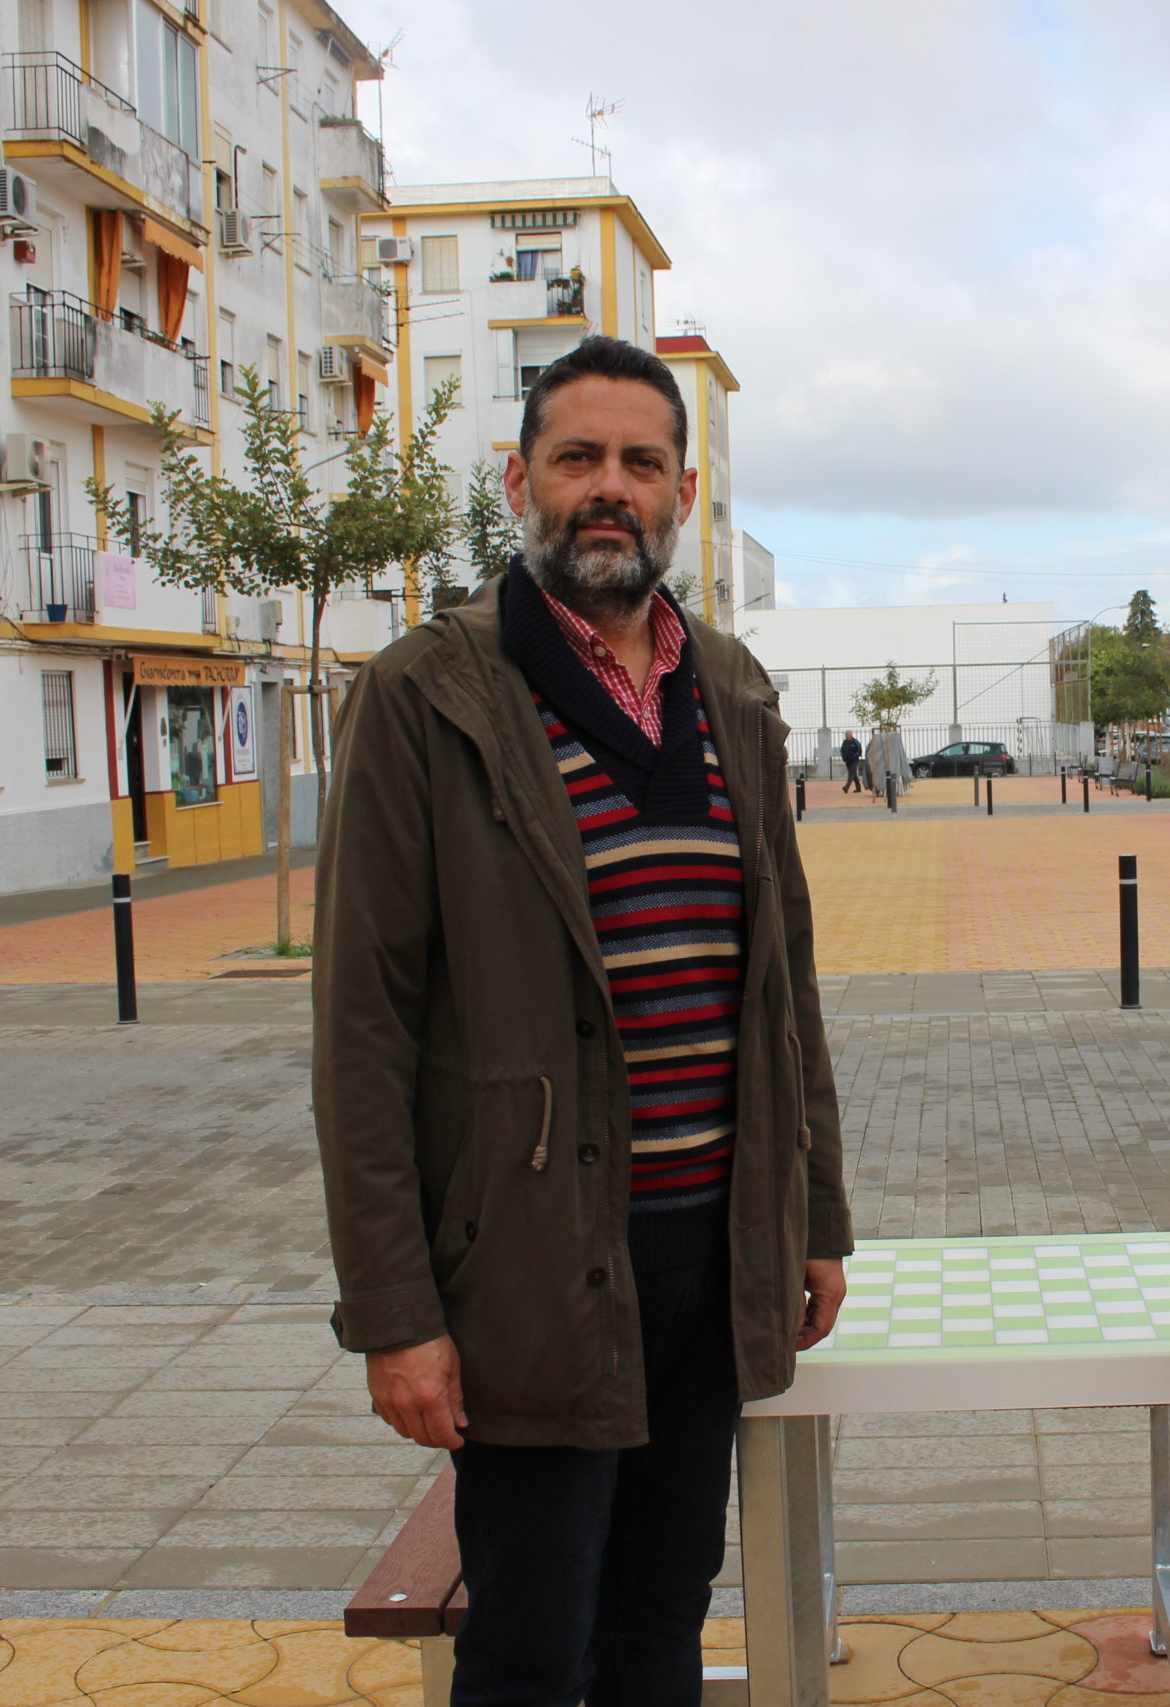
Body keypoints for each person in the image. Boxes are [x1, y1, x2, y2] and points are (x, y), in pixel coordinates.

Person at [313, 333, 850, 1707]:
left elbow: (783, 977)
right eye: (578, 459)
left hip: (709, 1262)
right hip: (532, 1275)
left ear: (680, 494)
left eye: (641, 463)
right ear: (520, 483)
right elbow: (363, 1030)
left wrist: (818, 1219)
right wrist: (394, 1311)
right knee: (531, 1652)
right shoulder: (425, 695)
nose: (610, 488)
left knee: (661, 1629)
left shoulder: (729, 688)